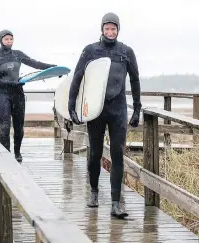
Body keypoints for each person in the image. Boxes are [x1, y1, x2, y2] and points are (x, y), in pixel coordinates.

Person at [68, 13, 142, 219]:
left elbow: (135, 81)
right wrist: (71, 106)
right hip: (96, 109)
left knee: (118, 154)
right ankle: (93, 192)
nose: (110, 32)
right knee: (95, 152)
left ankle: (116, 203)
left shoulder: (126, 52)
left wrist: (137, 109)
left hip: (118, 108)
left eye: (114, 29)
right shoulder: (91, 51)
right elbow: (77, 78)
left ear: (118, 29)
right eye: (107, 28)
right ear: (101, 29)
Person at [0, 29, 57, 163]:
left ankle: (17, 153)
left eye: (11, 39)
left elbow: (35, 63)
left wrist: (52, 69)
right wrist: (11, 83)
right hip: (3, 95)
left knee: (19, 127)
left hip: (18, 94)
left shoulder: (18, 54)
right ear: (1, 40)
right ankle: (6, 155)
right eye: (6, 39)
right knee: (5, 127)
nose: (9, 41)